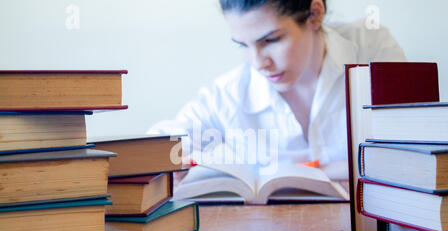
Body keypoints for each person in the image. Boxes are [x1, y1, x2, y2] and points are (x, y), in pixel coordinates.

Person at [148, 0, 406, 182]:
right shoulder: (231, 92)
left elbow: (413, 153)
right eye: (243, 45)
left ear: (315, 14)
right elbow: (162, 140)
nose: (258, 62)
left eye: (271, 40)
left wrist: (312, 171)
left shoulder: (370, 47)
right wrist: (165, 162)